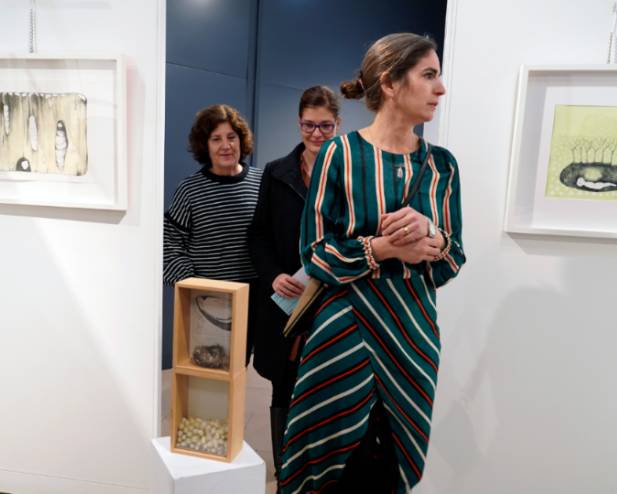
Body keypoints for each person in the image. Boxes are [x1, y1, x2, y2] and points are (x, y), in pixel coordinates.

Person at [278, 33, 466, 494]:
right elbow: (315, 253)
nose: (440, 88)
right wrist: (384, 249)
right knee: (334, 472)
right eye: (428, 75)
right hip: (344, 335)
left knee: (388, 471)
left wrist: (430, 232)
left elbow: (452, 260)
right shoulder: (340, 154)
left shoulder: (442, 166)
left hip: (412, 337)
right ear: (390, 83)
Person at [248, 86, 341, 476]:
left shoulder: (349, 173)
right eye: (309, 125)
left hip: (332, 299)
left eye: (325, 126)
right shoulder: (276, 172)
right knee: (283, 386)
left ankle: (317, 472)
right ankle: (286, 472)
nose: (316, 133)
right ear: (299, 123)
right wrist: (274, 276)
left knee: (326, 386)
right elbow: (258, 235)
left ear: (338, 124)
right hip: (285, 300)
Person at [163, 104, 262, 359]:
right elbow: (168, 243)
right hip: (208, 299)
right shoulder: (190, 190)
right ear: (204, 146)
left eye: (231, 137)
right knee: (209, 368)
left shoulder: (262, 183)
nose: (225, 146)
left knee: (241, 365)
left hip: (255, 296)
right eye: (216, 139)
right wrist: (194, 285)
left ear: (241, 141)